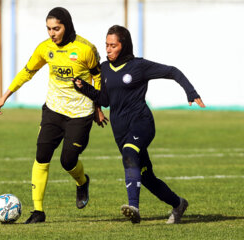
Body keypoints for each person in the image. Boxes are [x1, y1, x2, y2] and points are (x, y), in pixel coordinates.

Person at [72, 25, 205, 224]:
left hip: (142, 122)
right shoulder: (106, 68)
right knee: (147, 177)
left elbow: (173, 72)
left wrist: (191, 92)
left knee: (129, 152)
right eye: (106, 45)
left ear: (123, 46)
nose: (108, 49)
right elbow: (106, 99)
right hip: (120, 130)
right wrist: (85, 89)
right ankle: (178, 204)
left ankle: (133, 206)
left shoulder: (139, 66)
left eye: (113, 45)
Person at [0, 7, 107, 224]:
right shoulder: (45, 48)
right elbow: (27, 71)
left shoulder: (85, 48)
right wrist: (4, 97)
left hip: (80, 113)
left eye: (56, 28)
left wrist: (98, 107)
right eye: (48, 29)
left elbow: (97, 77)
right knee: (42, 156)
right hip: (53, 110)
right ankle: (38, 211)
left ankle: (82, 183)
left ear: (67, 26)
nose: (52, 33)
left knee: (67, 161)